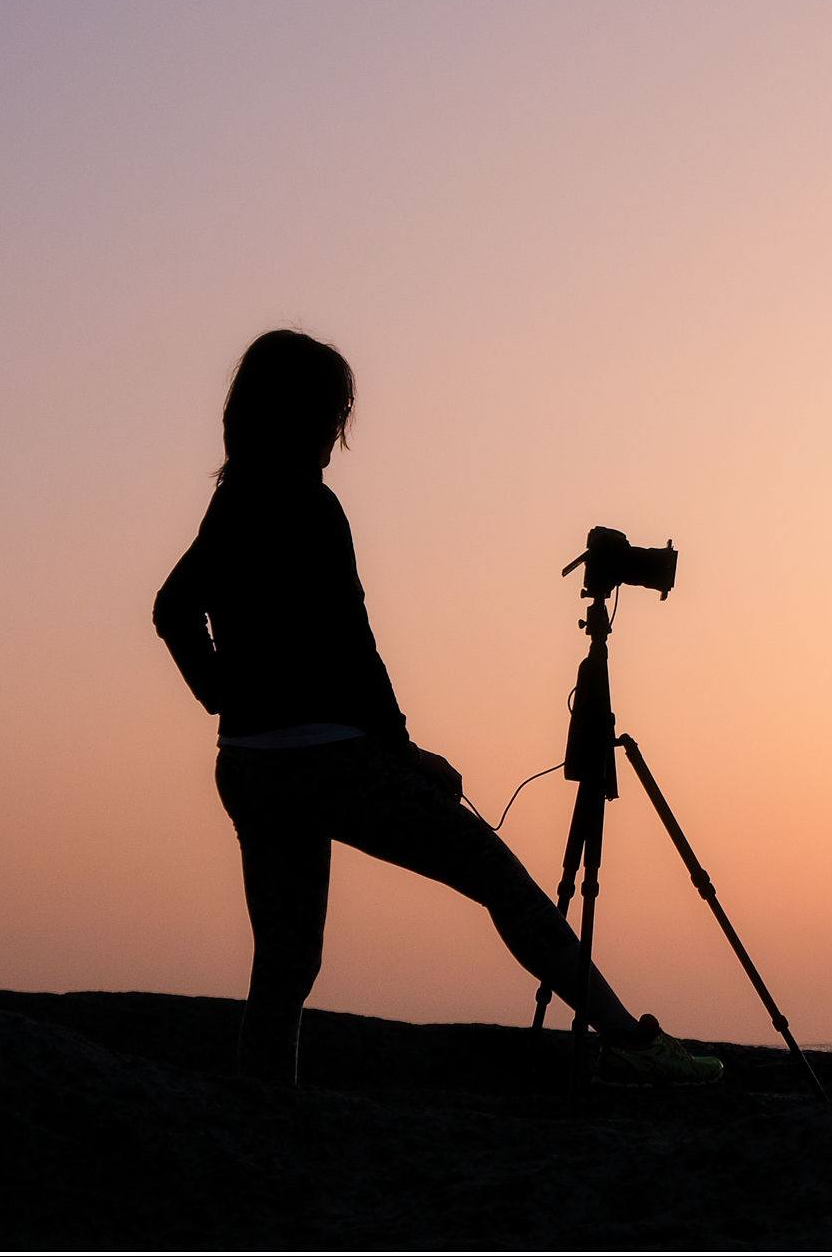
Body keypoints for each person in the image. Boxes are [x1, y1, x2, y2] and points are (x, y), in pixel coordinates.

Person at [154, 328, 721, 1087]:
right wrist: (403, 753)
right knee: (499, 878)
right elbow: (355, 648)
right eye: (330, 416)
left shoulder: (233, 503)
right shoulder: (310, 506)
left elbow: (172, 610)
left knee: (286, 964)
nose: (336, 436)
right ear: (297, 415)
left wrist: (224, 695)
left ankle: (263, 1113)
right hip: (331, 761)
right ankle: (633, 1043)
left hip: (252, 767)